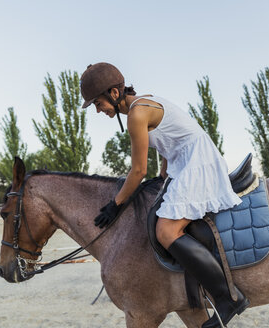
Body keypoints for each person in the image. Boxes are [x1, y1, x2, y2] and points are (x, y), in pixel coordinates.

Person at [80, 62, 250, 327]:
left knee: (166, 231)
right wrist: (163, 172)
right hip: (183, 164)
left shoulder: (137, 114)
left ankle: (228, 298)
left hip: (198, 164)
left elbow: (137, 171)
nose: (98, 110)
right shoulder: (143, 104)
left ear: (114, 93)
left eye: (98, 104)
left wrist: (116, 203)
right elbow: (168, 139)